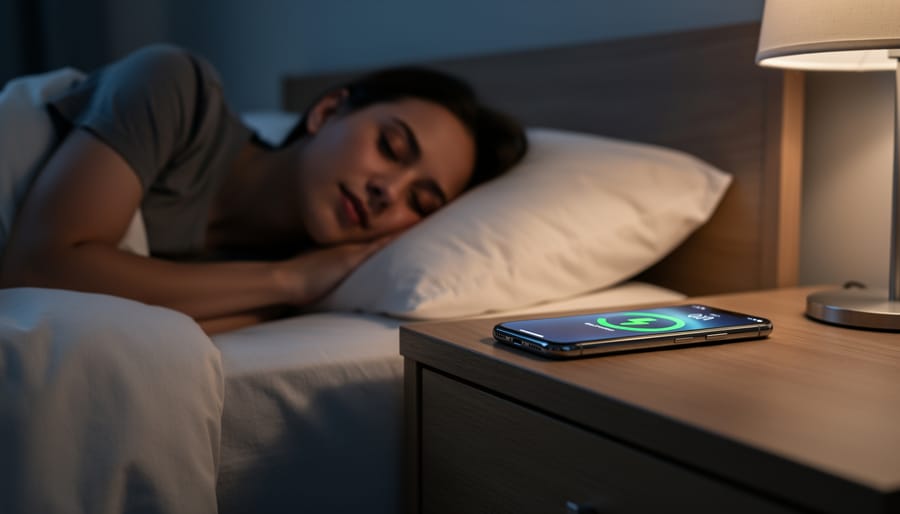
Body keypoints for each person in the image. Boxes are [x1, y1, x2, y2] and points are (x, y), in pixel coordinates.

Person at [0, 44, 527, 333]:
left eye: (421, 201)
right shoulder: (177, 90)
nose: (388, 193)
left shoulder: (282, 287)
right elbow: (39, 270)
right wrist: (287, 280)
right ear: (326, 111)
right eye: (390, 147)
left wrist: (289, 286)